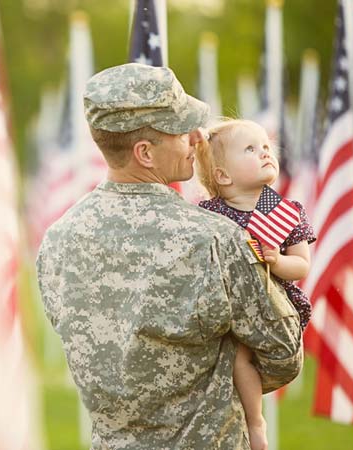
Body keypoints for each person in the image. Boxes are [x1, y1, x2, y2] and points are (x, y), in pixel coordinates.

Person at [36, 63, 303, 449]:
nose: (197, 137)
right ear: (144, 152)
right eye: (181, 131)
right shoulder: (215, 238)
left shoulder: (58, 240)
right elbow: (283, 352)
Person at [195, 119, 316, 450]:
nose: (265, 152)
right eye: (250, 148)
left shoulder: (286, 212)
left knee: (242, 349)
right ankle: (251, 420)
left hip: (271, 304)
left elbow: (301, 266)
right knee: (233, 353)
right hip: (226, 303)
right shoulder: (210, 215)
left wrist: (276, 260)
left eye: (266, 145)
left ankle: (255, 422)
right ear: (223, 176)